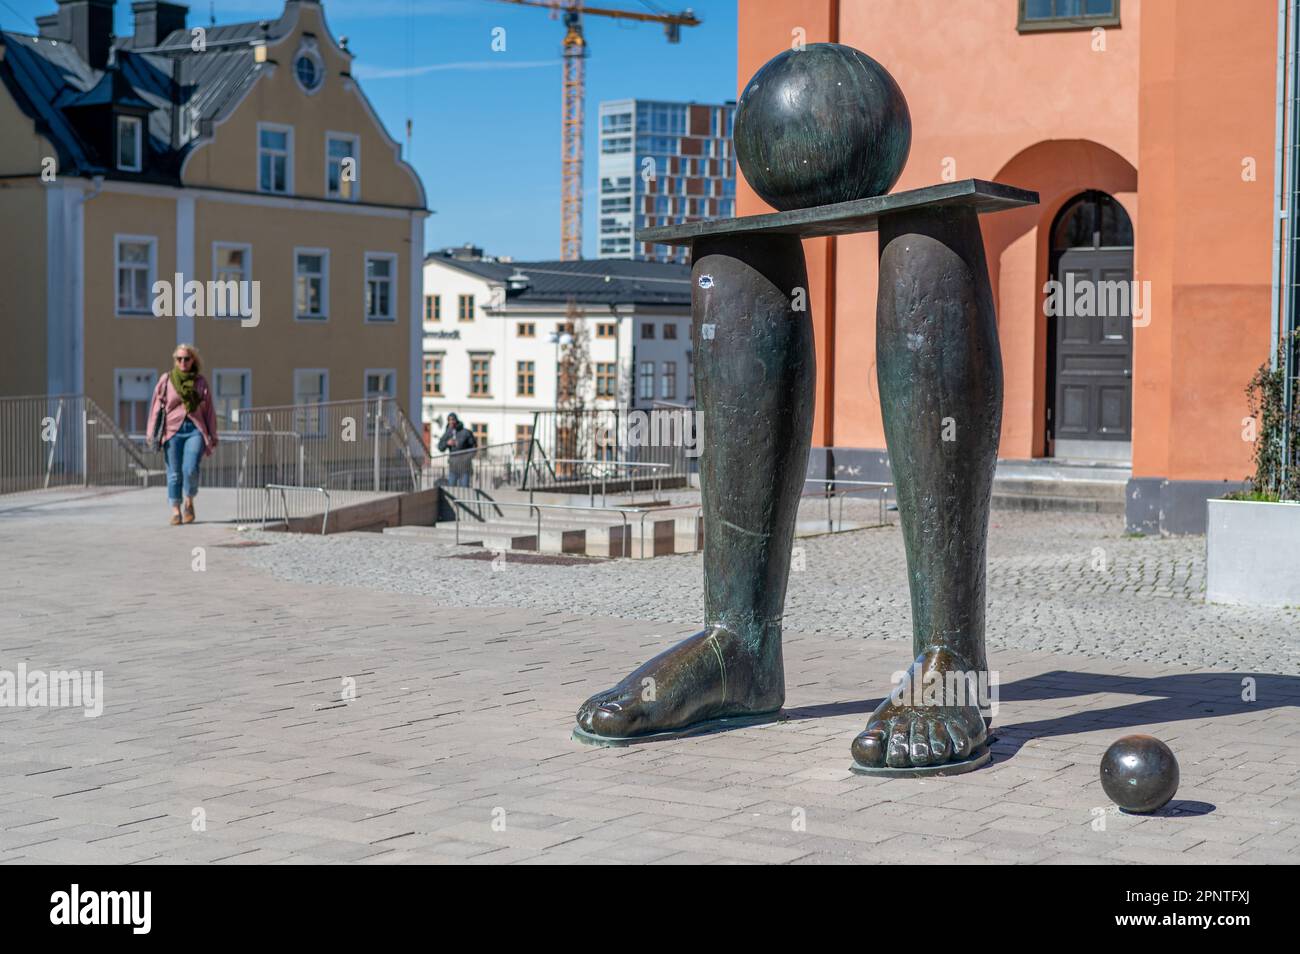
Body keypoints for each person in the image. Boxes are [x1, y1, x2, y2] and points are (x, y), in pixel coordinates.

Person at [145, 343, 219, 525]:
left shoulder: (200, 382)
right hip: (172, 431)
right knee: (174, 473)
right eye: (179, 359)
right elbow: (155, 407)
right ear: (175, 360)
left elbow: (209, 410)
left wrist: (213, 434)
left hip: (195, 429)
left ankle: (189, 500)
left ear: (193, 360)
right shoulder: (166, 380)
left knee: (191, 468)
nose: (183, 362)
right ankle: (176, 510)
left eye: (186, 358)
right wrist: (151, 433)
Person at [437, 413, 477, 488]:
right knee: (451, 489)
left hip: (465, 467)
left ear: (456, 420)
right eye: (449, 420)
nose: (451, 422)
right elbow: (440, 447)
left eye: (453, 420)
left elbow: (474, 448)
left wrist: (466, 458)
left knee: (464, 489)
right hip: (453, 467)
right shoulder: (448, 433)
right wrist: (447, 443)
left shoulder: (466, 432)